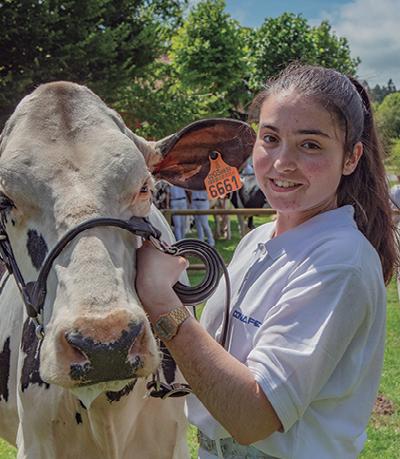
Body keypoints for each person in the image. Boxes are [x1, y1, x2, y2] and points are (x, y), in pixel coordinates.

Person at [136, 64, 398, 459]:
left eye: (310, 145)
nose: (281, 162)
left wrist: (162, 302)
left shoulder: (340, 262)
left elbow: (253, 417)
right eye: (270, 138)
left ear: (350, 158)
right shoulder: (257, 240)